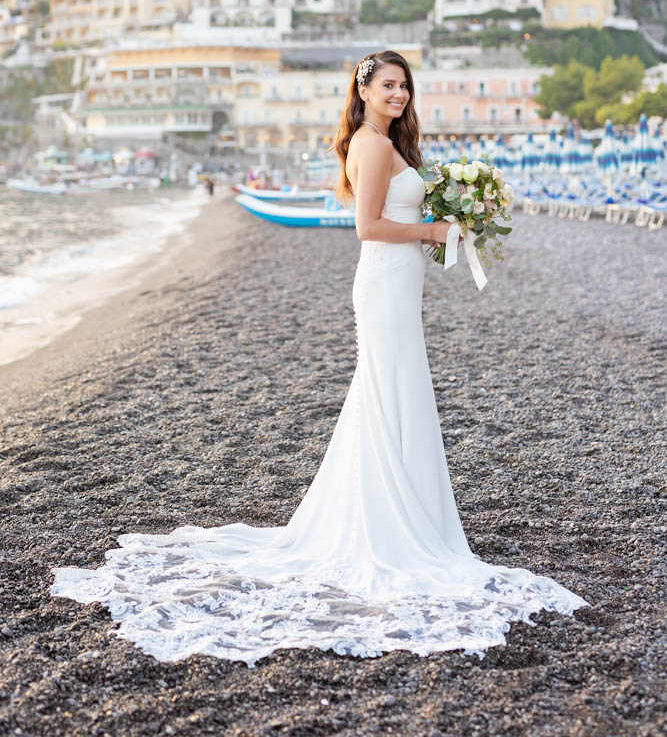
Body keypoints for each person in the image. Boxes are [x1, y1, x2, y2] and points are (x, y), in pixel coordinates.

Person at [49, 50, 589, 666]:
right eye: (388, 85)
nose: (399, 95)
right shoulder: (371, 143)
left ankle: (409, 512)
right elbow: (367, 228)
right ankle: (389, 524)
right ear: (362, 90)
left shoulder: (389, 143)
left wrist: (450, 217)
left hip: (398, 280)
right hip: (383, 278)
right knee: (388, 390)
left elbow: (396, 214)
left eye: (405, 86)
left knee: (393, 391)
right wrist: (434, 233)